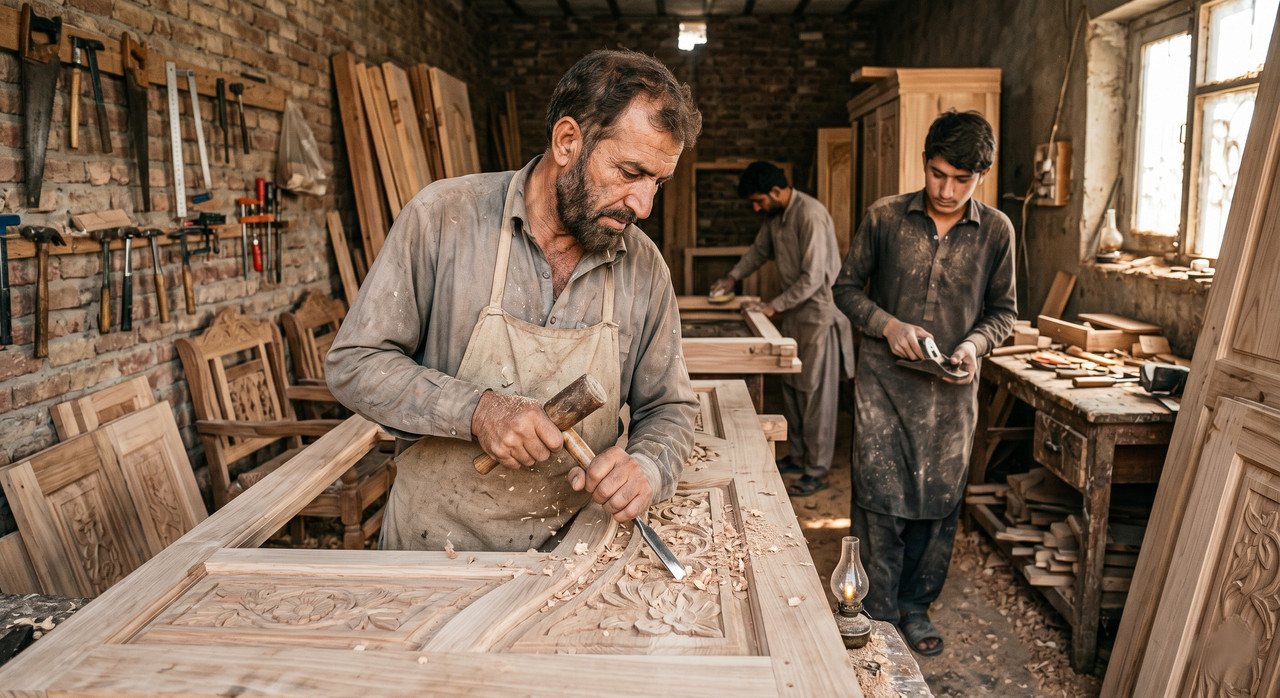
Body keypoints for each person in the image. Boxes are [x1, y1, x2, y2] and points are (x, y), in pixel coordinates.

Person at [325, 49, 702, 553]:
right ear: (568, 141)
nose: (644, 204)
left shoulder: (644, 266)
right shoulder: (443, 219)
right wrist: (477, 410)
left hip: (574, 558)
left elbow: (669, 406)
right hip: (435, 548)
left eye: (657, 182)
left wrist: (649, 468)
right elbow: (355, 364)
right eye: (630, 172)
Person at [832, 110, 1016, 656]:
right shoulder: (885, 218)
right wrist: (887, 325)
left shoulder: (997, 231)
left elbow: (1003, 313)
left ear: (981, 176)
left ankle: (915, 607)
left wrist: (973, 345)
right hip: (883, 388)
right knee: (878, 499)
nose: (948, 189)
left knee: (938, 504)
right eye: (939, 174)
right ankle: (876, 611)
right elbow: (845, 290)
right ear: (924, 163)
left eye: (963, 180)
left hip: (951, 395)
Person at [709, 162, 853, 497]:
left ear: (776, 192)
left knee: (815, 395)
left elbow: (813, 278)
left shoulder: (810, 215)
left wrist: (772, 306)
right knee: (792, 386)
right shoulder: (775, 218)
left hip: (818, 315)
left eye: (759, 201)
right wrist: (733, 276)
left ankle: (816, 470)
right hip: (794, 315)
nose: (757, 208)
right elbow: (758, 252)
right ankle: (800, 456)